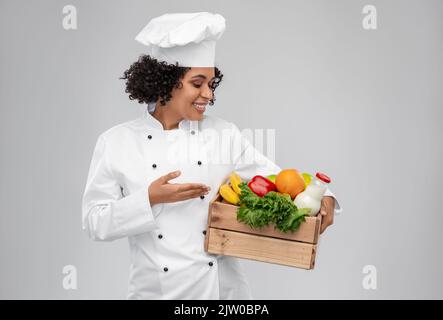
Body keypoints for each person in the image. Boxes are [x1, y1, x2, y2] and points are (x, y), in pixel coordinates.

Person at [81, 12, 342, 300]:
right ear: (165, 81)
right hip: (155, 293)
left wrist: (325, 196)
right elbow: (95, 221)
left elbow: (279, 179)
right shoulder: (117, 142)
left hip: (221, 294)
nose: (209, 94)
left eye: (211, 83)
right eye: (197, 83)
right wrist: (150, 198)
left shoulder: (224, 134)